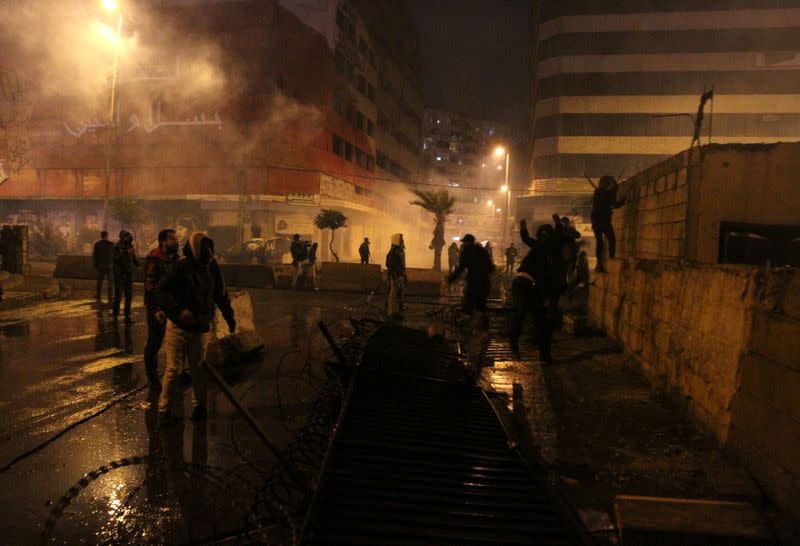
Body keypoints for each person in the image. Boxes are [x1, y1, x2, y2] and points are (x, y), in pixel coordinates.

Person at [156, 232, 236, 423]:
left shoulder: (212, 266)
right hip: (178, 326)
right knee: (174, 370)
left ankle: (200, 407)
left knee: (198, 369)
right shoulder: (181, 266)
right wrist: (178, 311)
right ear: (194, 251)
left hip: (200, 327)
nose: (205, 262)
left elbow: (221, 294)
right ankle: (164, 409)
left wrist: (229, 317)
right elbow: (161, 290)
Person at [510, 220, 559, 363]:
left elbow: (526, 238)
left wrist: (524, 227)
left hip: (528, 284)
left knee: (530, 317)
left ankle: (537, 353)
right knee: (528, 316)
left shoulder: (541, 246)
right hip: (525, 283)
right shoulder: (547, 249)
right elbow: (526, 239)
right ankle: (541, 354)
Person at [143, 228, 179, 387]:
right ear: (164, 241)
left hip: (172, 305)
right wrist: (156, 309)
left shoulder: (175, 259)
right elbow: (150, 286)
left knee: (176, 340)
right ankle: (152, 376)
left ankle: (176, 373)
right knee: (155, 342)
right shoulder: (154, 259)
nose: (176, 241)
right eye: (173, 239)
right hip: (156, 307)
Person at [447, 234, 495, 324]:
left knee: (468, 305)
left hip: (473, 283)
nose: (463, 244)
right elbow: (491, 268)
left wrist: (451, 278)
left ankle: (467, 328)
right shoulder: (483, 251)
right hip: (485, 283)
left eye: (464, 242)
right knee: (481, 306)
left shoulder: (466, 252)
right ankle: (482, 330)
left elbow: (460, 268)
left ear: (467, 242)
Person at [586, 174, 626, 273]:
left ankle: (599, 264)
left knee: (599, 243)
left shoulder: (597, 192)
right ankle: (611, 259)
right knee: (611, 240)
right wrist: (623, 199)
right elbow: (615, 204)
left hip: (596, 221)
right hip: (604, 221)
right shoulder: (607, 193)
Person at [112, 230, 139, 323]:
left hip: (128, 274)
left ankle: (127, 316)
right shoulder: (117, 247)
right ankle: (115, 315)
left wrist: (140, 265)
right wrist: (126, 252)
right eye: (127, 237)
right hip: (119, 274)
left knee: (129, 295)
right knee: (118, 295)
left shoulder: (130, 247)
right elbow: (116, 259)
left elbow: (134, 259)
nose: (129, 239)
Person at [385, 233, 406, 319]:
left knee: (399, 294)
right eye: (401, 239)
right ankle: (391, 313)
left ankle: (396, 312)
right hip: (395, 276)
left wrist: (404, 274)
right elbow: (389, 265)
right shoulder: (392, 252)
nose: (402, 241)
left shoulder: (400, 251)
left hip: (400, 275)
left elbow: (402, 264)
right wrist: (394, 275)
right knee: (393, 294)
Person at [93, 230, 115, 304]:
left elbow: (95, 256)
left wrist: (96, 265)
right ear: (107, 236)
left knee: (99, 281)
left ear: (101, 236)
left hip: (101, 265)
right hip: (109, 265)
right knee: (110, 282)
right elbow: (114, 255)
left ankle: (98, 295)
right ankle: (110, 296)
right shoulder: (111, 244)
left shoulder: (97, 244)